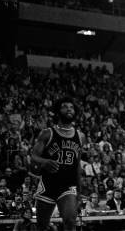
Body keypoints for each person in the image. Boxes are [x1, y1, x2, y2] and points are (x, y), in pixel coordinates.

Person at [31, 97, 85, 231]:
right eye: (65, 106)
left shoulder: (80, 136)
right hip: (48, 184)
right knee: (42, 226)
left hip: (68, 185)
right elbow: (33, 156)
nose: (69, 109)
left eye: (71, 107)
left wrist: (79, 190)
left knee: (70, 221)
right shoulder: (47, 133)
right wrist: (45, 161)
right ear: (57, 111)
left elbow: (77, 165)